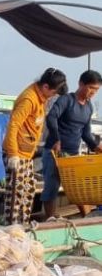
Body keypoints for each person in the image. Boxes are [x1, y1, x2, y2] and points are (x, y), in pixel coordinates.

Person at [3, 66, 67, 225]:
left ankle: (23, 224)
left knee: (28, 191)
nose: (53, 97)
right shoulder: (29, 99)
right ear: (45, 87)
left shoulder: (42, 99)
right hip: (17, 153)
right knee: (16, 195)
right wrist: (12, 154)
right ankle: (13, 227)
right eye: (53, 93)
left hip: (27, 154)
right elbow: (13, 125)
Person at [42, 68, 101, 214]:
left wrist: (96, 146)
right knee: (52, 187)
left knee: (79, 187)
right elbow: (51, 117)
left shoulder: (88, 107)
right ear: (81, 84)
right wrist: (56, 138)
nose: (93, 92)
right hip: (54, 152)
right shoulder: (66, 100)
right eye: (91, 88)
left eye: (97, 89)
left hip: (73, 155)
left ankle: (86, 217)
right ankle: (50, 219)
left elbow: (86, 133)